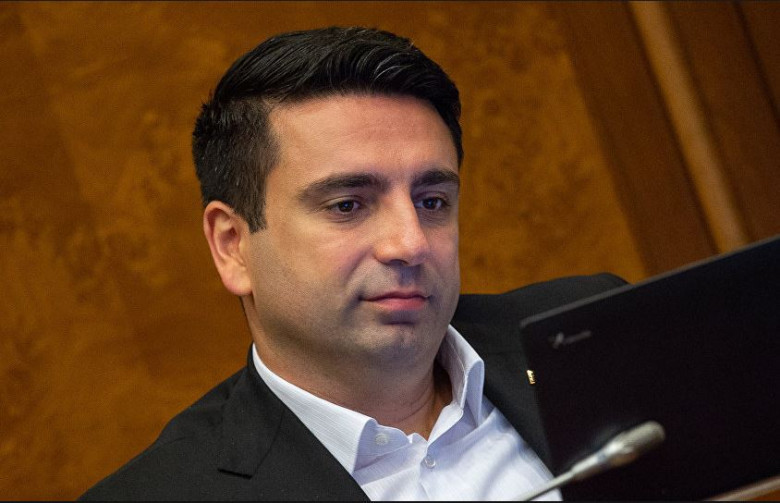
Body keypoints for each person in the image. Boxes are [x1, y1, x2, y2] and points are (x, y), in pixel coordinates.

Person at [81, 26, 624, 500]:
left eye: (432, 201)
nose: (410, 243)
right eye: (347, 206)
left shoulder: (599, 330)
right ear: (232, 245)